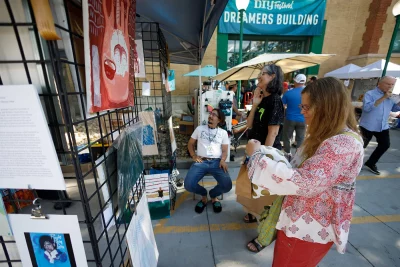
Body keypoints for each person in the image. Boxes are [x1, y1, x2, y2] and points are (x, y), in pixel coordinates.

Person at [245, 77, 364, 264]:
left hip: (306, 231)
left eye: (306, 107)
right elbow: (300, 166)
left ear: (327, 108)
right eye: (302, 107)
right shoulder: (327, 135)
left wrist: (257, 157)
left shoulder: (344, 143)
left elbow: (305, 182)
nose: (302, 112)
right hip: (299, 224)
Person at [243, 64, 284, 226]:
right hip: (255, 151)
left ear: (273, 77)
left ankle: (265, 221)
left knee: (263, 187)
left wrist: (264, 158)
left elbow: (272, 133)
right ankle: (253, 212)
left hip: (265, 153)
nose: (259, 76)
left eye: (263, 74)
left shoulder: (275, 101)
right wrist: (254, 104)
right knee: (253, 184)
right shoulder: (262, 100)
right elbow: (249, 124)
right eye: (260, 74)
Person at [185, 108, 232, 213]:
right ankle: (203, 194)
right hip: (201, 161)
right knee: (188, 184)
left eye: (214, 115)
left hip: (216, 162)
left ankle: (213, 195)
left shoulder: (223, 133)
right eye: (211, 113)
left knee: (227, 185)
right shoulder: (199, 129)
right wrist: (193, 156)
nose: (211, 116)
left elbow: (225, 150)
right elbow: (190, 143)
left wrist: (223, 160)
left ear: (219, 120)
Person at [359, 76, 400, 175]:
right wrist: (383, 98)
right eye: (388, 84)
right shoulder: (370, 94)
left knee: (385, 145)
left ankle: (371, 163)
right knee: (360, 147)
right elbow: (367, 109)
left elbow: (394, 109)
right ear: (379, 83)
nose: (390, 86)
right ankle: (354, 165)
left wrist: (398, 101)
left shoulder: (392, 96)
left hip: (382, 126)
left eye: (392, 84)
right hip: (367, 125)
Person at [281, 74, 306, 154]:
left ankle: (287, 154)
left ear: (295, 81)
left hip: (290, 118)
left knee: (287, 138)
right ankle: (297, 156)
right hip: (303, 119)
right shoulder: (309, 93)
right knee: (300, 139)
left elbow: (282, 105)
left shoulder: (288, 93)